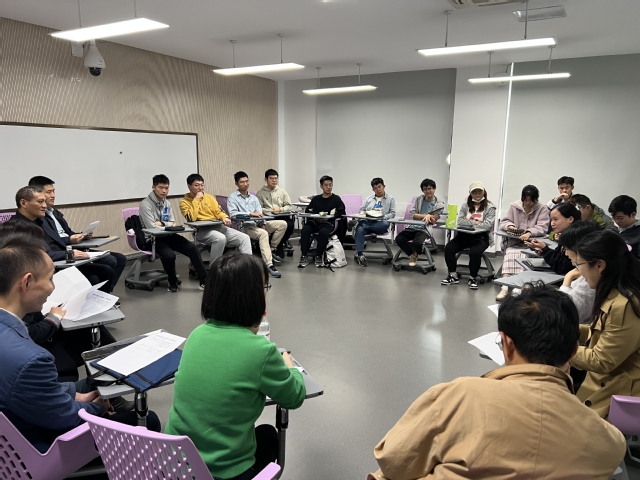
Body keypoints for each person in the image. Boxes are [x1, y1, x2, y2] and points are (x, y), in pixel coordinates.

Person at [367, 288, 625, 480]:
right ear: (573, 352)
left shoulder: (457, 395)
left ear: (506, 343)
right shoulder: (608, 439)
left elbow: (393, 460)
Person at [0, 231, 160, 454]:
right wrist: (95, 407)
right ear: (26, 282)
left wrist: (76, 396)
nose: (53, 287)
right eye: (50, 279)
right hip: (39, 447)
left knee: (94, 382)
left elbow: (33, 390)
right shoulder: (31, 360)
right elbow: (66, 418)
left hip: (21, 416)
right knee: (148, 420)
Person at [165, 252, 306, 480]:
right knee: (268, 435)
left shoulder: (196, 334)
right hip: (224, 473)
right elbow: (294, 397)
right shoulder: (261, 351)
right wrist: (290, 367)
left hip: (177, 466)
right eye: (264, 287)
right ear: (253, 297)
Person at [570, 230, 640, 418]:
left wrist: (557, 348)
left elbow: (602, 360)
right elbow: (603, 333)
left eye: (579, 264)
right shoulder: (616, 293)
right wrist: (572, 329)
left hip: (619, 394)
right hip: (605, 381)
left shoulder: (624, 305)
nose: (579, 271)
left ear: (599, 265)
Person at [28, 176, 127, 294]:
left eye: (54, 191)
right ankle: (99, 294)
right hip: (64, 251)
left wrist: (81, 235)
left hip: (70, 248)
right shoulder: (39, 218)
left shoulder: (55, 212)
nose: (53, 195)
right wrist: (69, 240)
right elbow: (52, 242)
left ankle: (105, 294)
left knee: (120, 259)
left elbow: (68, 232)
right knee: (108, 263)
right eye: (49, 192)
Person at [139, 174, 208, 292]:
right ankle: (172, 282)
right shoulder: (145, 205)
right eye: (161, 188)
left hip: (168, 235)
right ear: (153, 187)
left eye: (166, 188)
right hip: (153, 238)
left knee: (192, 248)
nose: (164, 191)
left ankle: (205, 281)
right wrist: (166, 224)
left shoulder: (167, 203)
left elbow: (172, 222)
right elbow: (152, 227)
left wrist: (161, 223)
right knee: (169, 255)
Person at [179, 173, 252, 263]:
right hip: (201, 230)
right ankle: (215, 267)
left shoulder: (209, 197)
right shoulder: (184, 202)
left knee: (244, 238)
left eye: (202, 185)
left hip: (218, 227)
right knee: (220, 238)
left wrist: (224, 217)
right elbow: (191, 218)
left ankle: (248, 266)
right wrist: (197, 199)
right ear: (189, 186)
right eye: (196, 185)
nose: (200, 188)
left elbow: (218, 211)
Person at [228, 171, 286, 278]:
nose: (245, 184)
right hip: (244, 227)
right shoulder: (232, 197)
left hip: (256, 225)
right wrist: (250, 213)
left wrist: (262, 223)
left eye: (247, 181)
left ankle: (271, 249)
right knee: (263, 233)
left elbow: (259, 213)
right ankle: (269, 265)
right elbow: (233, 214)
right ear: (236, 184)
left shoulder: (253, 198)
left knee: (282, 224)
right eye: (242, 182)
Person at [496, 185, 550, 301]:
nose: (528, 203)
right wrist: (510, 226)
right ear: (522, 198)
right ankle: (504, 286)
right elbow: (504, 222)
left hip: (532, 243)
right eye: (526, 200)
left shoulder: (542, 209)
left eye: (531, 200)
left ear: (536, 199)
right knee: (509, 253)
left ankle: (518, 288)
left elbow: (543, 227)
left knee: (524, 255)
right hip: (514, 242)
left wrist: (529, 232)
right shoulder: (515, 206)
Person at [441, 181, 496, 290]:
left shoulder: (490, 207)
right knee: (449, 248)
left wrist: (469, 221)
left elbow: (487, 226)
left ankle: (472, 278)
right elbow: (460, 222)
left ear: (484, 192)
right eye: (474, 192)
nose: (477, 194)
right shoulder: (465, 205)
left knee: (475, 252)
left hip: (480, 237)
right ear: (470, 193)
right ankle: (453, 275)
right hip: (464, 235)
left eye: (479, 191)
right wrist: (477, 222)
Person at [298, 175, 346, 268]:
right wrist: (315, 217)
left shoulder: (336, 199)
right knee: (305, 230)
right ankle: (304, 255)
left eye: (330, 185)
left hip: (328, 222)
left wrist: (329, 217)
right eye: (326, 185)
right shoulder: (316, 199)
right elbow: (308, 210)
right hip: (315, 221)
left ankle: (318, 255)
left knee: (324, 231)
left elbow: (341, 212)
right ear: (321, 186)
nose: (328, 187)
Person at [395, 179, 445, 267]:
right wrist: (425, 216)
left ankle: (416, 253)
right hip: (413, 226)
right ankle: (412, 255)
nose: (428, 191)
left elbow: (434, 221)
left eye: (430, 188)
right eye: (425, 189)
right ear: (422, 190)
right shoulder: (419, 199)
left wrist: (430, 217)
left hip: (425, 229)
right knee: (399, 239)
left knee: (417, 243)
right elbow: (413, 214)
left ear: (434, 189)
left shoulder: (439, 205)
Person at [557, 221, 599, 324]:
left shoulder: (591, 280)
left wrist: (568, 278)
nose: (566, 253)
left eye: (566, 248)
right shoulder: (586, 271)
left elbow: (563, 312)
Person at [350, 178, 396, 267]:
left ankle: (360, 224)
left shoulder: (391, 199)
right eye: (375, 188)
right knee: (359, 230)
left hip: (380, 224)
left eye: (379, 187)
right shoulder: (369, 198)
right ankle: (360, 255)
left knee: (385, 224)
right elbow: (361, 210)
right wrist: (367, 214)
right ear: (373, 189)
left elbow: (392, 213)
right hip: (368, 220)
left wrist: (383, 217)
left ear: (384, 186)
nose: (378, 189)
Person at [526, 203, 580, 276]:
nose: (552, 224)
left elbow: (562, 266)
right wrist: (543, 250)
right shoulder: (565, 235)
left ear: (570, 219)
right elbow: (559, 256)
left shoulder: (576, 237)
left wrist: (545, 249)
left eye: (555, 219)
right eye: (551, 220)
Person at [256, 169, 295, 259]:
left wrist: (280, 209)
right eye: (271, 178)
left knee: (290, 225)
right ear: (266, 180)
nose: (274, 180)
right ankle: (271, 247)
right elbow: (258, 208)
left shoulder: (282, 192)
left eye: (276, 178)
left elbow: (289, 206)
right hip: (268, 217)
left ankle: (278, 245)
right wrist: (271, 210)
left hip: (282, 215)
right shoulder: (260, 193)